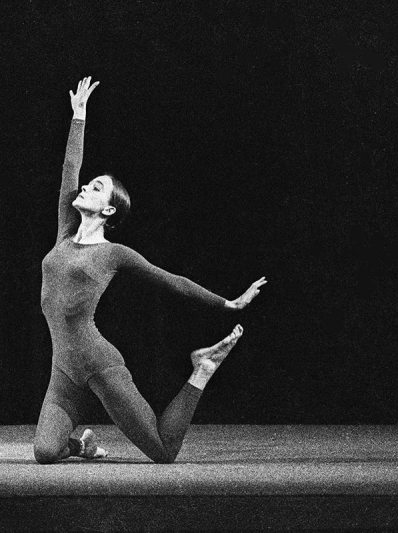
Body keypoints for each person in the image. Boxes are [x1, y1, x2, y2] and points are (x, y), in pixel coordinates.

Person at [34, 77, 267, 464]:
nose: (85, 188)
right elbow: (67, 171)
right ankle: (83, 445)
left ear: (108, 211)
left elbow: (172, 281)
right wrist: (79, 118)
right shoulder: (65, 232)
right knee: (45, 452)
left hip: (98, 362)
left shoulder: (114, 254)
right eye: (88, 184)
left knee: (163, 450)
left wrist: (228, 303)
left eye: (96, 187)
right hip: (64, 368)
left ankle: (203, 368)